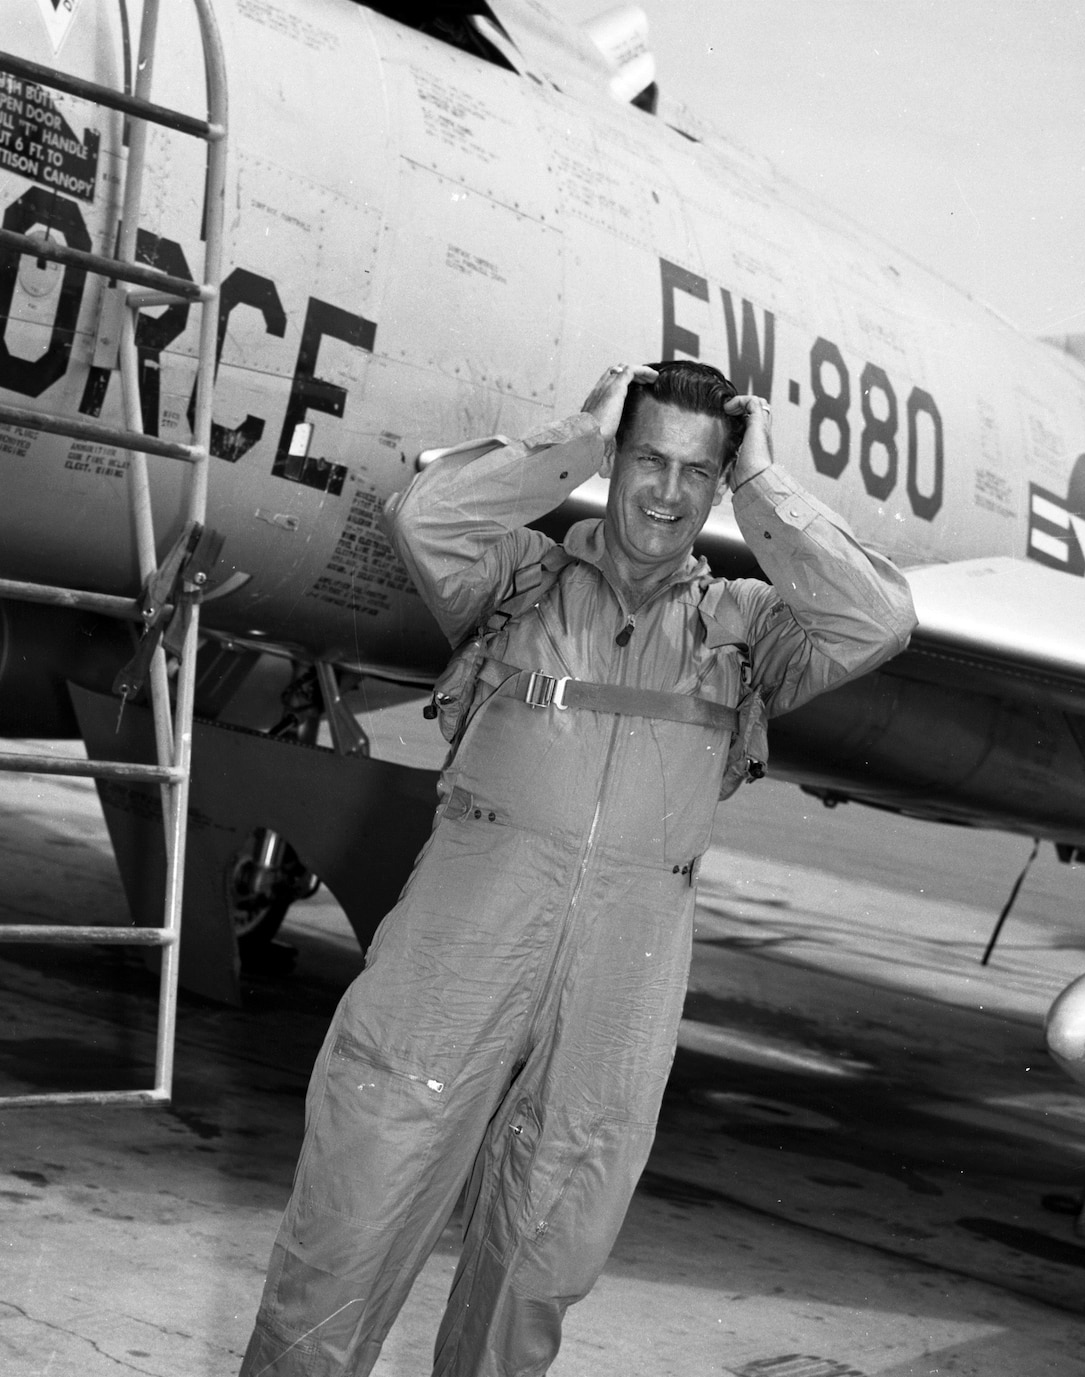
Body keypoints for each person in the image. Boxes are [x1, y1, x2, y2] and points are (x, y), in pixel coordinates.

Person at [238, 360, 916, 1376]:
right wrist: (573, 443)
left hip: (618, 988)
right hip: (458, 957)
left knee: (537, 1266)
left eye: (697, 471)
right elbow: (424, 518)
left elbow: (877, 620)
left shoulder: (741, 631)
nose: (664, 491)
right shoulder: (517, 578)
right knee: (352, 1219)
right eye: (646, 459)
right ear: (616, 456)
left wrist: (764, 488)